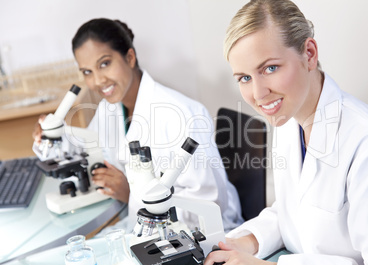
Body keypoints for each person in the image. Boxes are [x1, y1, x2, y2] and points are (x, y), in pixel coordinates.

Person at [204, 0, 368, 265]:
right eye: (244, 78)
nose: (258, 94)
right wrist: (247, 241)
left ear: (309, 54)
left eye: (270, 68)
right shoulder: (289, 119)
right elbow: (292, 212)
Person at [33, 18, 243, 232]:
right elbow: (88, 150)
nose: (98, 80)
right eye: (87, 72)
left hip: (204, 236)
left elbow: (208, 206)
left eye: (104, 64)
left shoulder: (182, 114)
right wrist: (53, 138)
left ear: (130, 58)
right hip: (143, 226)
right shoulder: (110, 108)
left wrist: (131, 194)